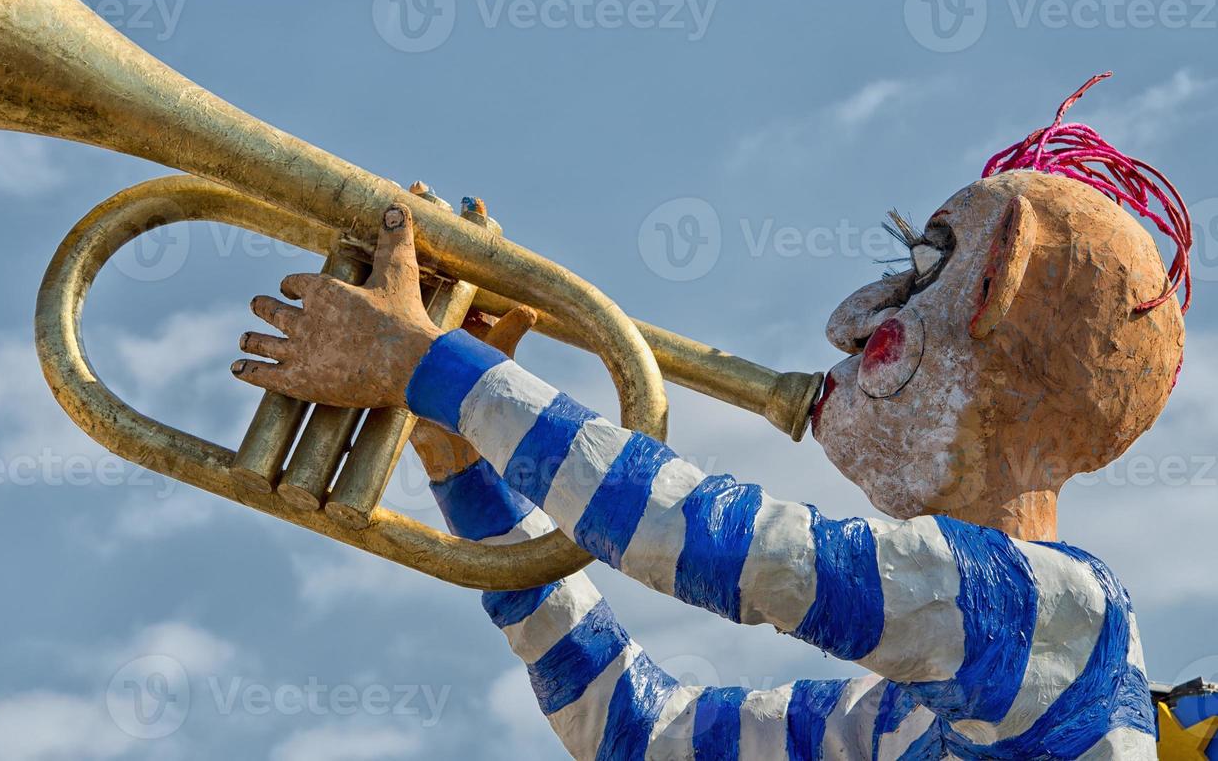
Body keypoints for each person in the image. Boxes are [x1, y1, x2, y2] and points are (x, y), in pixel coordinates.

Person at [232, 77, 1191, 759]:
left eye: (922, 275)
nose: (851, 320)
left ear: (1004, 312)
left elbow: (734, 549)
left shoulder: (1057, 621)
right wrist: (457, 453)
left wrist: (433, 366)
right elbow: (631, 729)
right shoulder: (895, 721)